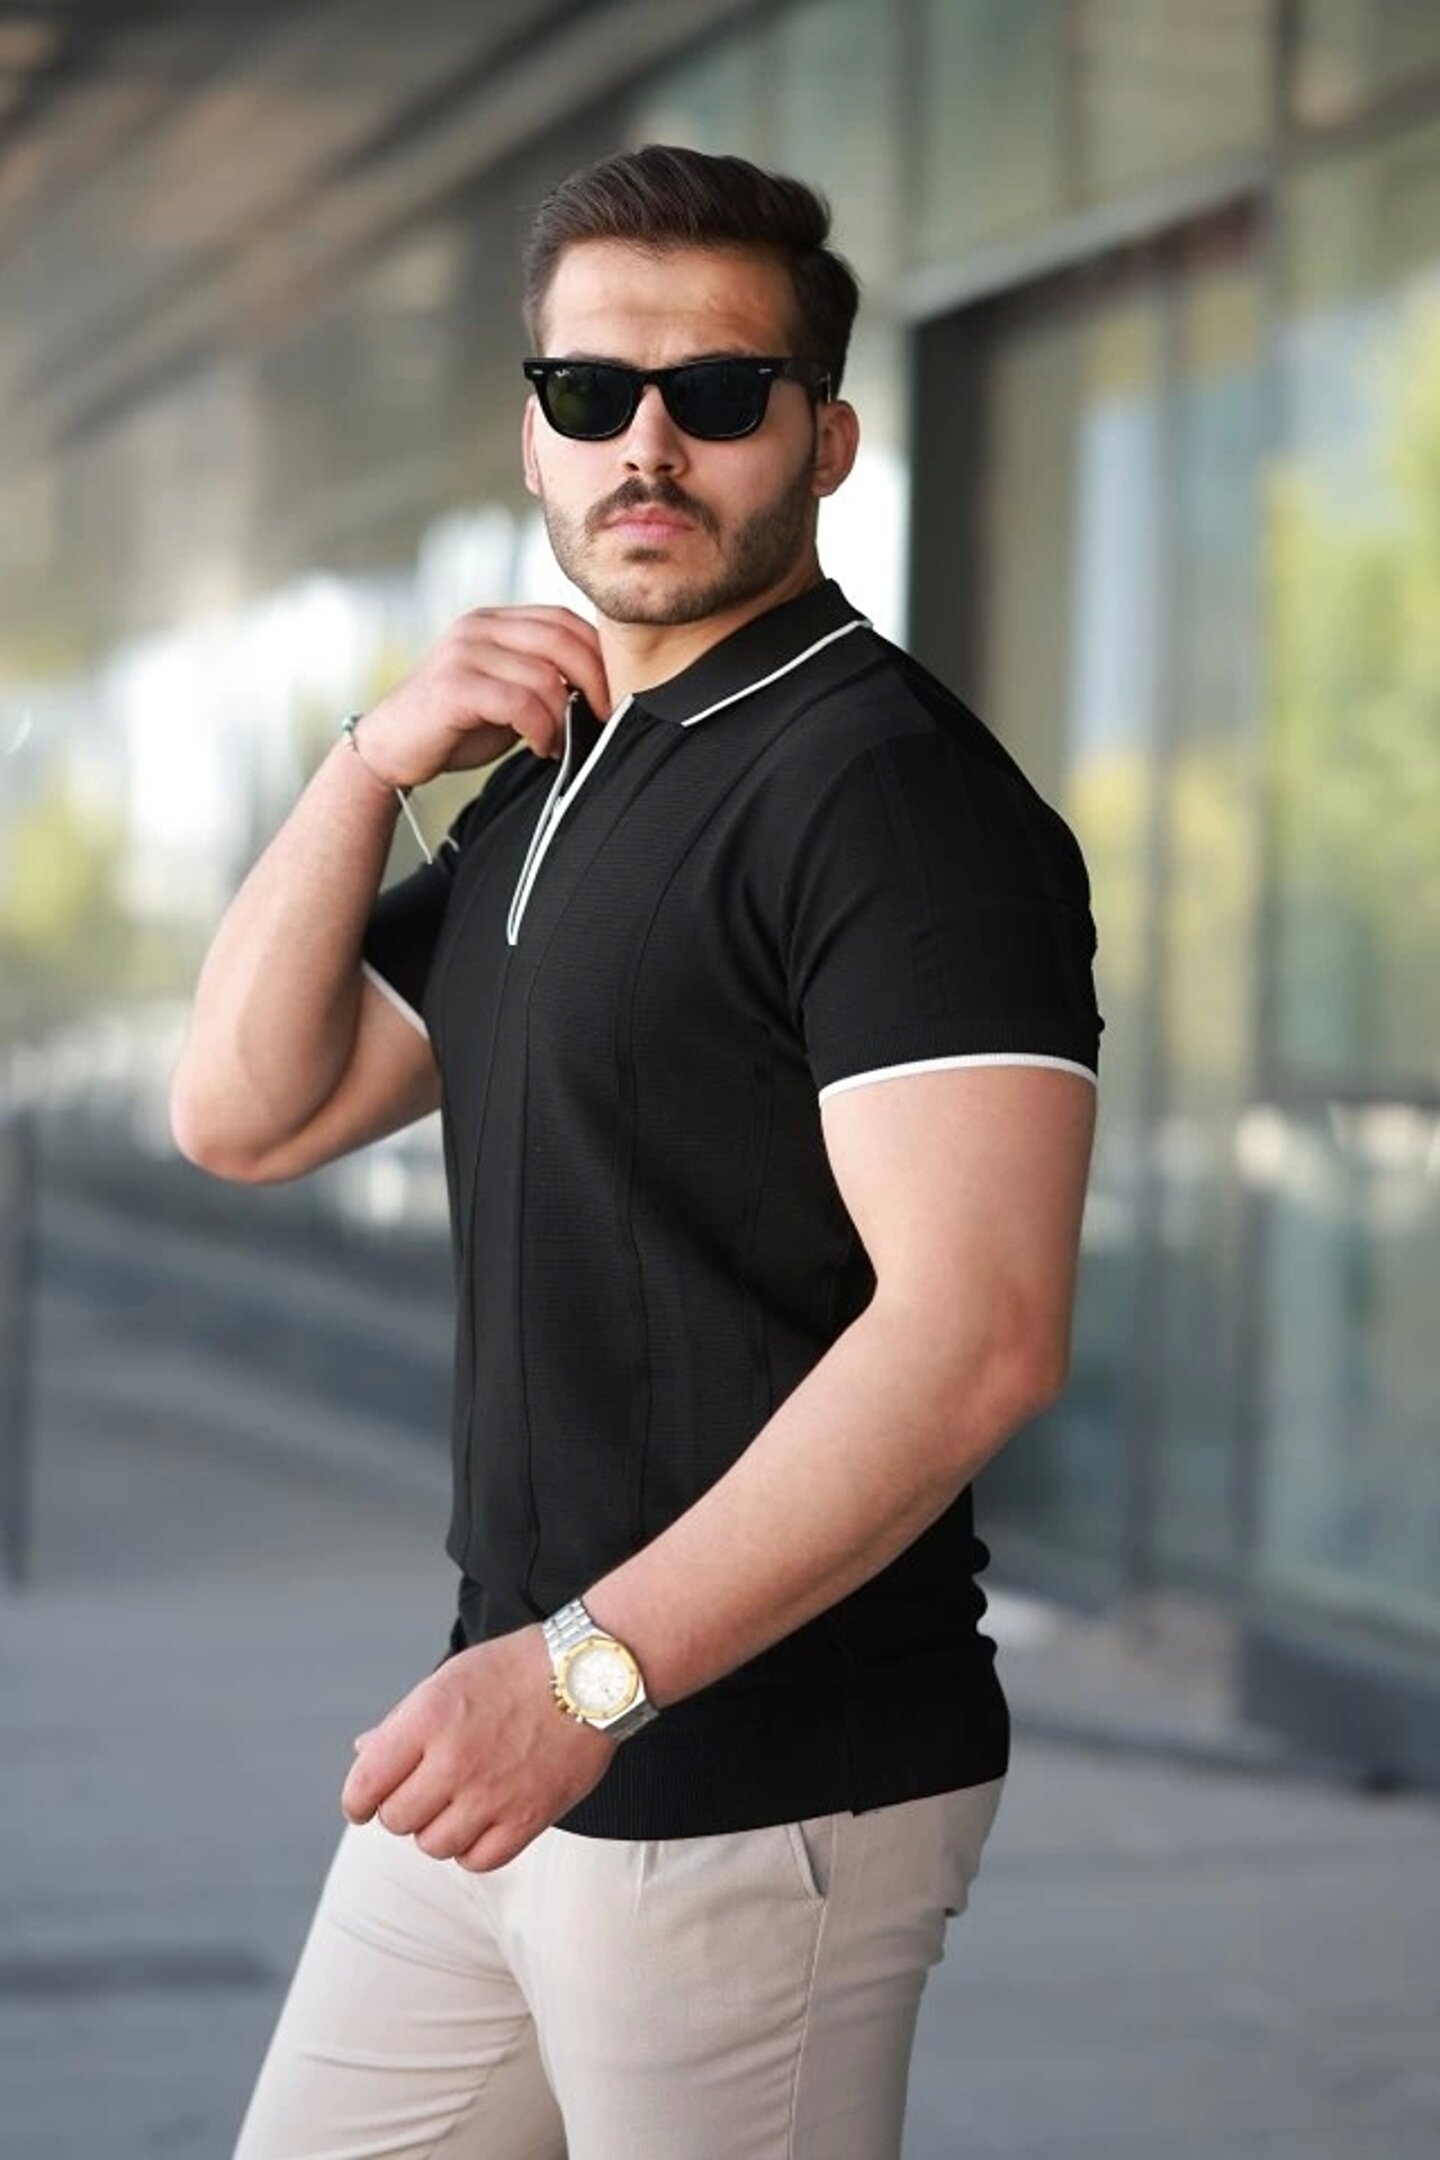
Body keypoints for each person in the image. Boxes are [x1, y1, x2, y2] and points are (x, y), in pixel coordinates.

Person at [172, 141, 1103, 2160]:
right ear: (533, 433)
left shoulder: (890, 800)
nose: (647, 445)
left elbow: (981, 1332)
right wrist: (371, 763)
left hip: (754, 1777)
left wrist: (584, 1683)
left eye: (719, 393)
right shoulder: (560, 773)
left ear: (827, 438)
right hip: (501, 1736)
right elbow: (245, 1111)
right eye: (592, 393)